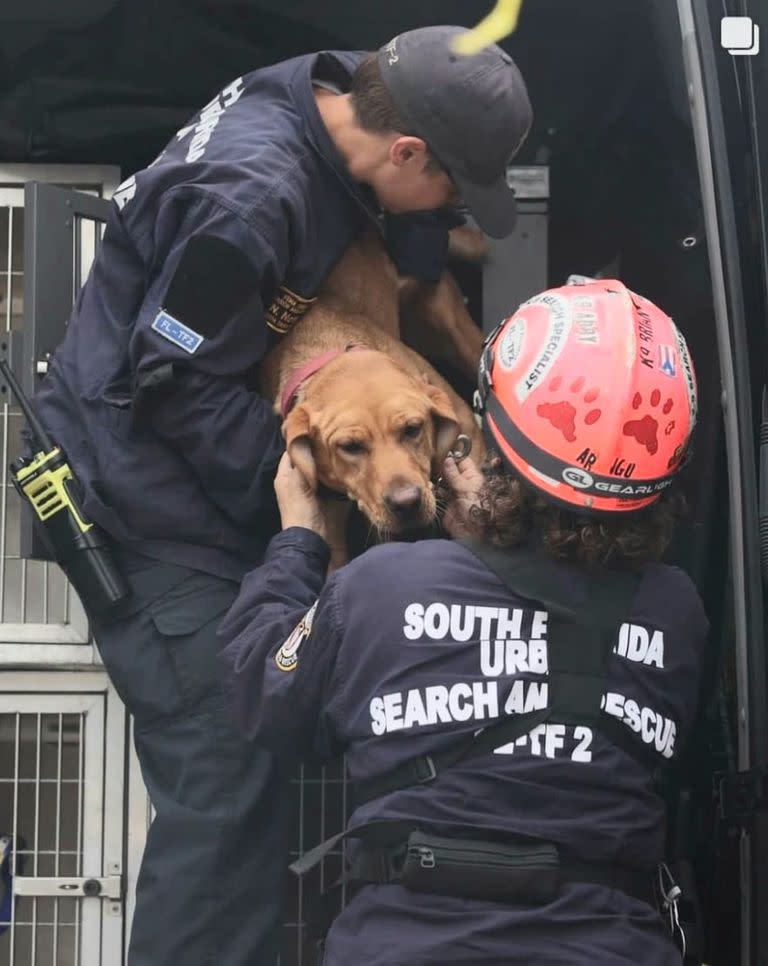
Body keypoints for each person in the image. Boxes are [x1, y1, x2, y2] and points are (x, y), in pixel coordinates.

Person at [25, 25, 532, 966]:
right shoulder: (251, 199)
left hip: (191, 455)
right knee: (227, 778)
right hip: (142, 499)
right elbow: (173, 382)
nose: (457, 206)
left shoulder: (325, 92)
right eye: (455, 185)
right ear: (408, 149)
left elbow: (385, 221)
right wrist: (330, 496)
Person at [217, 278, 708, 965]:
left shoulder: (377, 588)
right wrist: (496, 531)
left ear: (484, 423)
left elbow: (260, 696)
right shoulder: (676, 610)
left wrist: (299, 539)